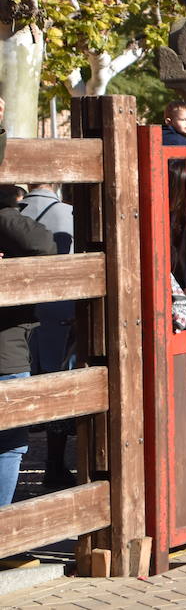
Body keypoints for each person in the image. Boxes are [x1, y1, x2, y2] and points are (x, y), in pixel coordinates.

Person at [17, 180, 78, 488]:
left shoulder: (14, 213)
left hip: (18, 312)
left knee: (19, 384)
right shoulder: (69, 214)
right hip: (61, 310)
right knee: (59, 386)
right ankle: (54, 464)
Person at [0, 186, 58, 506]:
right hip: (6, 348)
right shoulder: (7, 220)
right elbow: (43, 242)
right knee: (9, 443)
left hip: (9, 345)